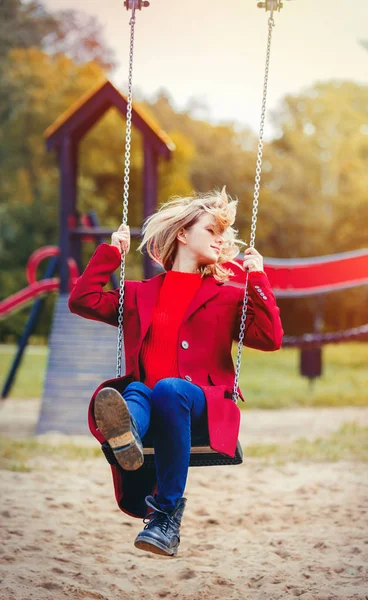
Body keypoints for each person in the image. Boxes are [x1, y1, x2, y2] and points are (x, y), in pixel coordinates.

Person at [68, 187, 283, 557]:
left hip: (200, 400)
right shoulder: (138, 295)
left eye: (222, 234)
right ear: (183, 234)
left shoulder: (227, 295)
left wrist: (258, 278)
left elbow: (270, 338)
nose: (220, 240)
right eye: (210, 231)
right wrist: (111, 253)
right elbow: (82, 300)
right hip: (151, 401)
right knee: (135, 393)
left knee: (167, 389)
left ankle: (166, 513)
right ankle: (127, 435)